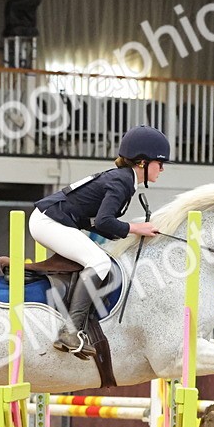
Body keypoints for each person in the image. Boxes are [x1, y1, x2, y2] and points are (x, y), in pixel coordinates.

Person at [30, 125, 169, 355]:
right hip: (49, 222)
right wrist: (136, 228)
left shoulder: (123, 179)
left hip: (54, 220)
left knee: (99, 259)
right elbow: (104, 222)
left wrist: (131, 232)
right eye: (160, 163)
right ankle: (70, 331)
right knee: (100, 263)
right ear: (143, 162)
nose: (162, 169)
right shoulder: (122, 182)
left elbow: (98, 223)